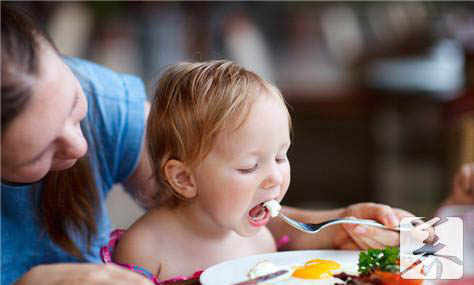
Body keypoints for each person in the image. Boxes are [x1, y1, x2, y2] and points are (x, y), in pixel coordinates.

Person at [1, 6, 412, 285]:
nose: (80, 146)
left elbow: (217, 212)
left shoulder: (107, 105)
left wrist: (333, 225)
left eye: (75, 107)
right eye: (40, 152)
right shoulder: (145, 248)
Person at [100, 60, 407, 283]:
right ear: (184, 178)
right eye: (249, 166)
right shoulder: (145, 248)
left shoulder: (261, 235)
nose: (274, 177)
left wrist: (355, 225)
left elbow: (310, 241)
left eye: (281, 156)